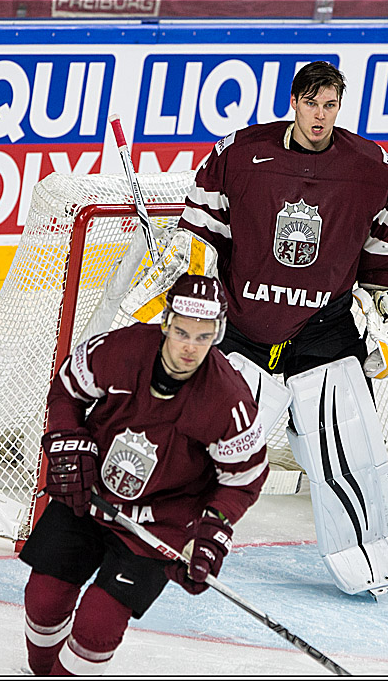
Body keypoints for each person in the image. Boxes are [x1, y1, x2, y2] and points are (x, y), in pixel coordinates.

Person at [173, 60, 388, 596]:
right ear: (294, 102)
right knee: (210, 446)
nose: (320, 116)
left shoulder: (373, 169)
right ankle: (170, 541)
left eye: (330, 105)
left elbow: (386, 261)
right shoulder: (238, 154)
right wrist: (191, 299)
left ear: (340, 106)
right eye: (311, 103)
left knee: (349, 456)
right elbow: (200, 241)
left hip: (324, 333)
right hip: (244, 331)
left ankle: (372, 567)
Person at [19, 274, 267, 676]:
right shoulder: (122, 349)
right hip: (91, 495)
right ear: (166, 321)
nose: (190, 348)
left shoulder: (229, 400)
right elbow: (67, 390)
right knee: (45, 598)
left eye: (203, 337)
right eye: (183, 332)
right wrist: (67, 440)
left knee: (97, 626)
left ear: (218, 334)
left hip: (160, 521)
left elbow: (243, 480)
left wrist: (210, 532)